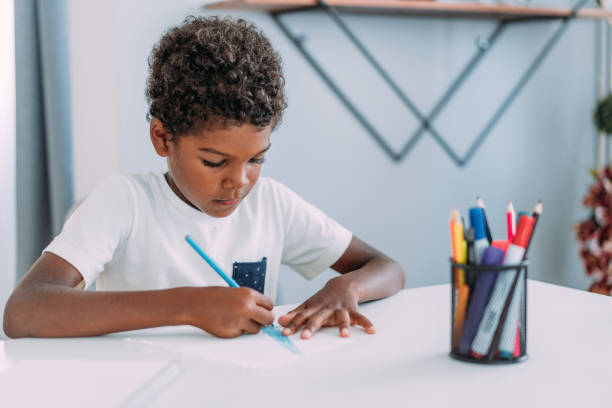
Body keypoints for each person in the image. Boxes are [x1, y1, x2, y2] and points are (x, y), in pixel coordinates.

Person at [3, 16, 404, 340]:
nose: (239, 181)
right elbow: (25, 310)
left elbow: (385, 266)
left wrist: (346, 288)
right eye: (214, 162)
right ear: (163, 138)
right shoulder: (125, 202)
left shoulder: (271, 204)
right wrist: (190, 306)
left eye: (257, 159)